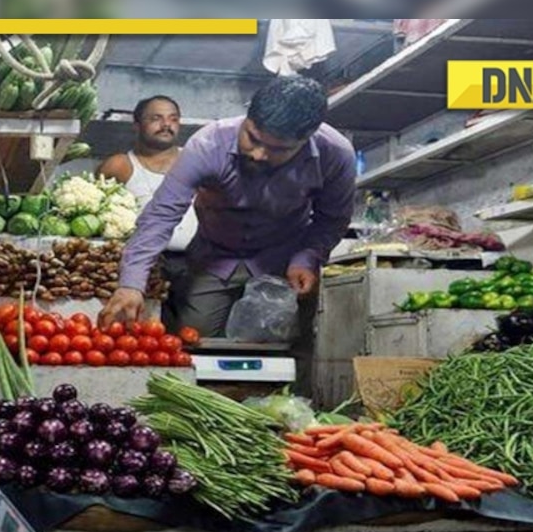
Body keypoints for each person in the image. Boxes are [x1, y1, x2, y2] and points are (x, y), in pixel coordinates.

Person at [98, 76, 355, 340]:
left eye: (277, 149)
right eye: (252, 138)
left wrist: (307, 257)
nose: (257, 154)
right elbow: (161, 215)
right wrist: (131, 284)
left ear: (306, 140)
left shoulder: (336, 154)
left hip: (283, 262)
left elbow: (332, 219)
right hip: (213, 259)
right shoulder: (208, 145)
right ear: (247, 116)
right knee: (196, 338)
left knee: (286, 345)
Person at [95, 95, 200, 331]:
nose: (166, 125)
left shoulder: (195, 161)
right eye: (156, 118)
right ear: (137, 125)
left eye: (173, 119)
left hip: (194, 264)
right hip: (143, 266)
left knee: (189, 331)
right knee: (142, 332)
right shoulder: (119, 165)